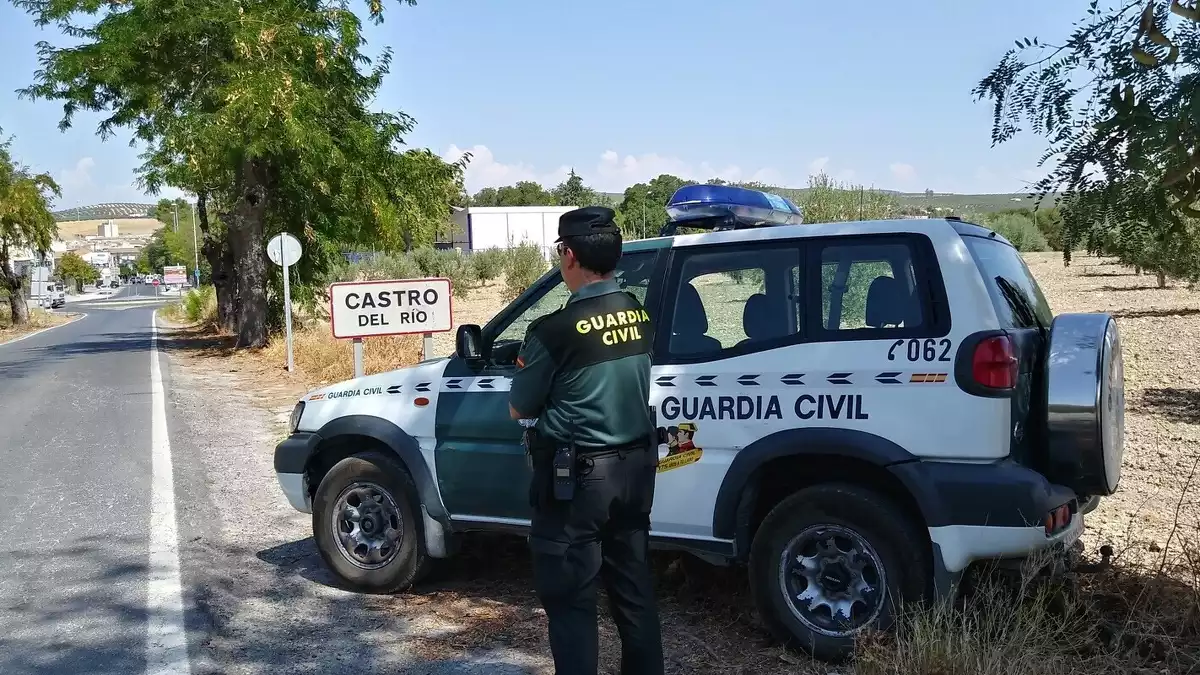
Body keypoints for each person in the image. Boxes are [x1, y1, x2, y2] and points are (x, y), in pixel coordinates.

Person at [508, 205, 664, 675]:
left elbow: (520, 407)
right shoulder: (638, 314)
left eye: (560, 252)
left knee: (572, 602)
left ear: (569, 255)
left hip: (578, 483)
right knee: (634, 593)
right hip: (636, 471)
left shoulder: (553, 331)